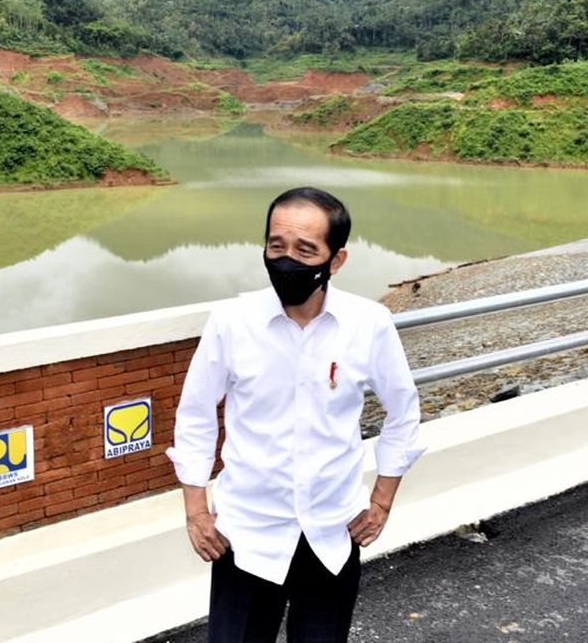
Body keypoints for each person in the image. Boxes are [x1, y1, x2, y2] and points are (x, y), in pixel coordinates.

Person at [166, 186, 425, 643]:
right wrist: (195, 512)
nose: (287, 260)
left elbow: (403, 412)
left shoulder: (369, 324)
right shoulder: (232, 322)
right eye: (276, 246)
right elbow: (196, 415)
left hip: (332, 532)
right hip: (246, 536)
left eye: (306, 250)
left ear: (336, 260)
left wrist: (381, 501)